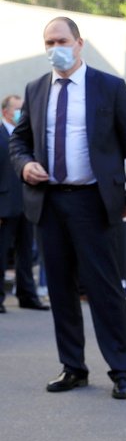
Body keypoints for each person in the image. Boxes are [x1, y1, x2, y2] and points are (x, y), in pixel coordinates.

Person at [8, 17, 126, 399]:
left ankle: (121, 369)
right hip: (49, 203)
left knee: (105, 290)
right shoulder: (36, 89)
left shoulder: (109, 86)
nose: (56, 48)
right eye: (49, 42)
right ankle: (73, 366)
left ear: (79, 43)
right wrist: (25, 165)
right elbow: (18, 142)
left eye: (62, 40)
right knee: (60, 289)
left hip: (94, 203)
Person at [0, 93, 48, 313]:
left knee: (27, 252)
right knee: (1, 253)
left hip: (28, 204)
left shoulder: (29, 138)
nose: (21, 113)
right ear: (5, 112)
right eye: (17, 109)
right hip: (4, 204)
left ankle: (27, 295)